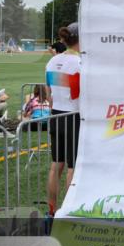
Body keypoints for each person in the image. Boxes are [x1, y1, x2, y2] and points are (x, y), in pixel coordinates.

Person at [45, 23, 81, 214]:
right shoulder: (79, 63)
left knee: (55, 166)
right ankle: (69, 211)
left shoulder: (52, 61)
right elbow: (81, 94)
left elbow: (49, 94)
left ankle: (51, 211)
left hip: (55, 115)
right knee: (72, 168)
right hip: (73, 116)